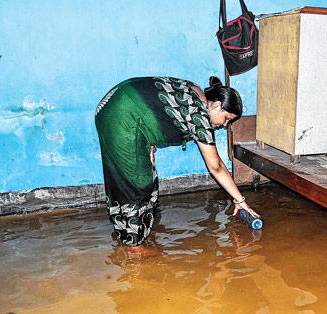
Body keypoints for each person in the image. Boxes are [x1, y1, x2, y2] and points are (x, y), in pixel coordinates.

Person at [94, 76, 259, 247]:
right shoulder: (200, 116)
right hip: (120, 115)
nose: (224, 125)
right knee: (135, 183)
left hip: (124, 104)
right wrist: (240, 200)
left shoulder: (197, 92)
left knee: (148, 178)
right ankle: (133, 246)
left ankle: (141, 229)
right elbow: (216, 167)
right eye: (226, 118)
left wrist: (149, 145)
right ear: (216, 105)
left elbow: (157, 106)